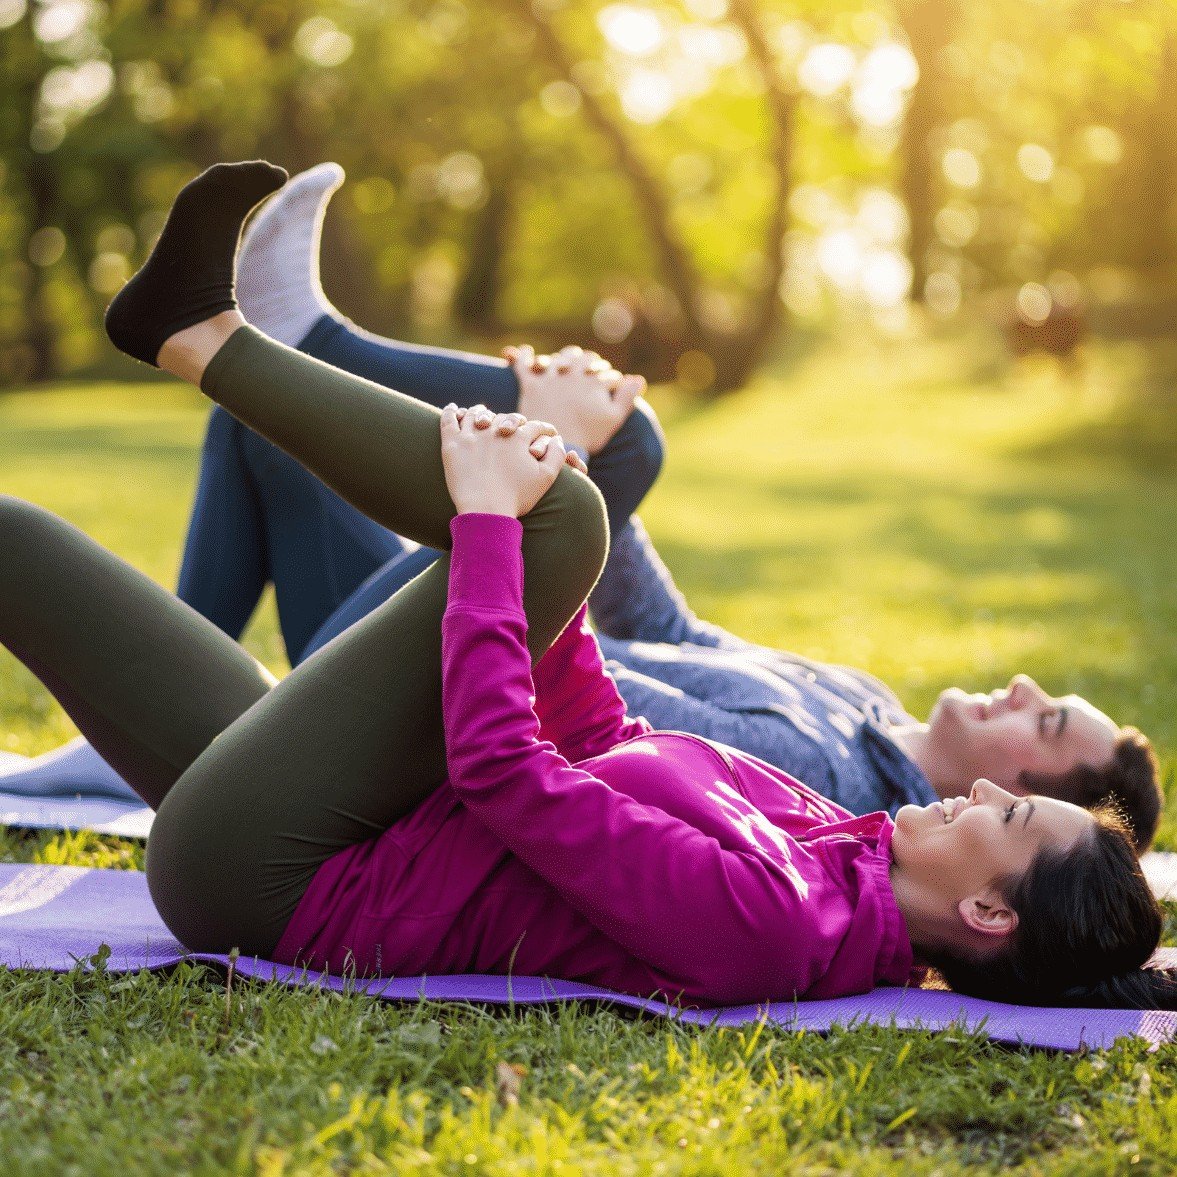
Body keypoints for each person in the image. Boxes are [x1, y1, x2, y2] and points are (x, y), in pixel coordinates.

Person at [2, 160, 1173, 1011]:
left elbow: (506, 773)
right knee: (17, 544)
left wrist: (490, 529)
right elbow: (599, 729)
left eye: (1007, 817)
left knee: (566, 513)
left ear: (987, 915)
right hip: (333, 820)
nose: (976, 798)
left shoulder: (773, 925)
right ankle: (228, 333)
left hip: (278, 876)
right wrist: (527, 580)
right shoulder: (840, 842)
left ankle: (207, 334)